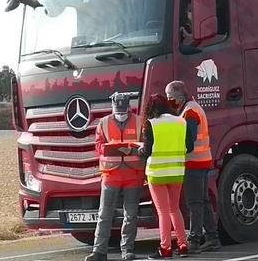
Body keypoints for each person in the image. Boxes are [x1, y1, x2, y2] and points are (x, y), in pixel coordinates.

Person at [85, 93, 144, 261]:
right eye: (118, 111)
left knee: (131, 214)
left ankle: (127, 250)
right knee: (104, 213)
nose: (121, 114)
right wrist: (109, 148)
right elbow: (97, 146)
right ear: (112, 108)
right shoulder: (103, 123)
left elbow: (146, 144)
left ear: (129, 108)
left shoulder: (140, 122)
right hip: (111, 175)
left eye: (123, 111)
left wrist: (135, 149)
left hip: (134, 175)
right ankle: (99, 251)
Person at [166, 81, 221, 253]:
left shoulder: (189, 112)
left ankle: (195, 240)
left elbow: (188, 141)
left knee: (194, 202)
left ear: (180, 96)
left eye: (170, 97)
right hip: (202, 161)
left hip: (194, 163)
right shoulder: (192, 108)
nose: (169, 101)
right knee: (203, 201)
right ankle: (212, 237)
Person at [139, 94, 190, 259]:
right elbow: (188, 146)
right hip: (177, 172)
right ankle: (183, 245)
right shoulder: (181, 121)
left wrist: (137, 150)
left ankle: (165, 248)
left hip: (157, 173)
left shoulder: (151, 124)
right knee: (175, 209)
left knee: (163, 212)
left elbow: (146, 151)